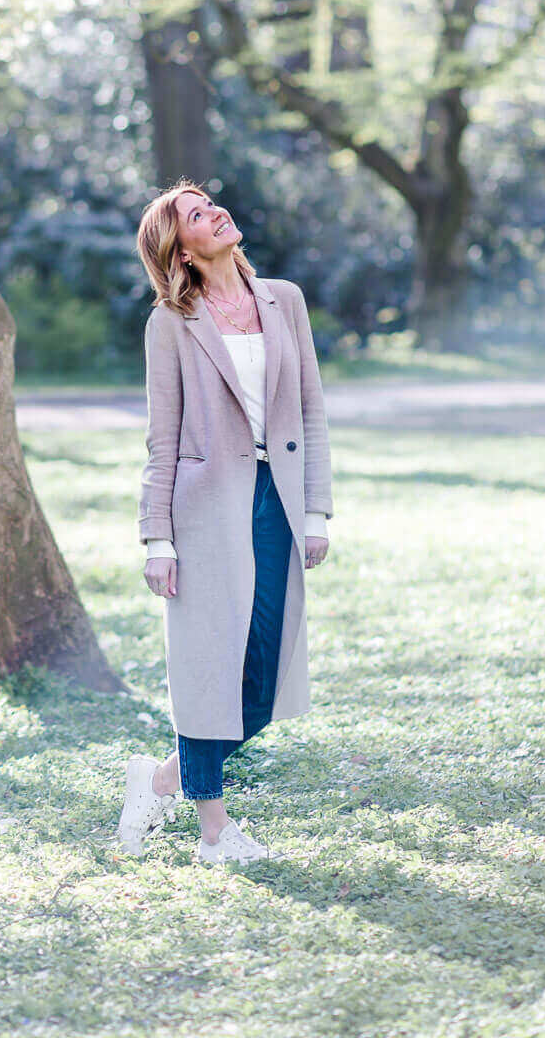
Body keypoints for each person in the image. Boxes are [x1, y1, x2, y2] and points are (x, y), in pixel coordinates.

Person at [117, 178, 333, 865]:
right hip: (205, 509)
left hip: (278, 498)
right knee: (210, 666)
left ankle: (160, 781)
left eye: (211, 204)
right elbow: (162, 435)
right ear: (180, 250)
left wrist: (317, 509)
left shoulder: (285, 302)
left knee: (266, 673)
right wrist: (158, 539)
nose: (216, 213)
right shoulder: (170, 325)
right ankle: (215, 831)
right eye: (196, 214)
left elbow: (313, 412)